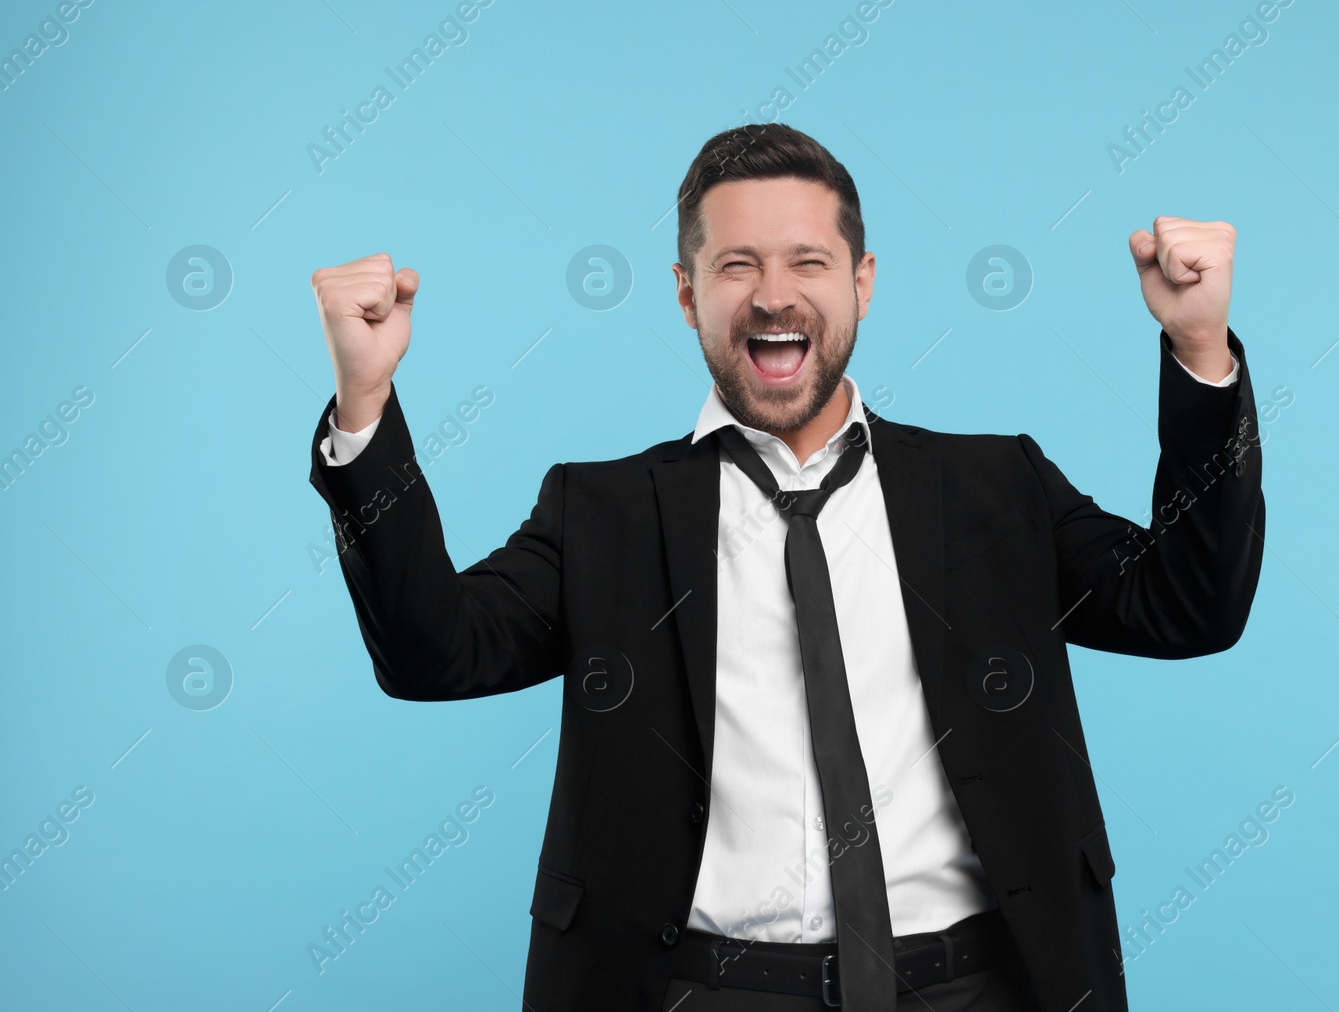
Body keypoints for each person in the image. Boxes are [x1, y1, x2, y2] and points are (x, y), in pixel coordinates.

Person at [306, 123, 1265, 1011]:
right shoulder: (602, 512)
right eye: (736, 266)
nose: (773, 294)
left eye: (810, 260)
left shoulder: (993, 485)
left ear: (864, 281)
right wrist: (366, 402)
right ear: (687, 293)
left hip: (977, 986)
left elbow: (1186, 607)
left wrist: (1198, 346)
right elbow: (433, 653)